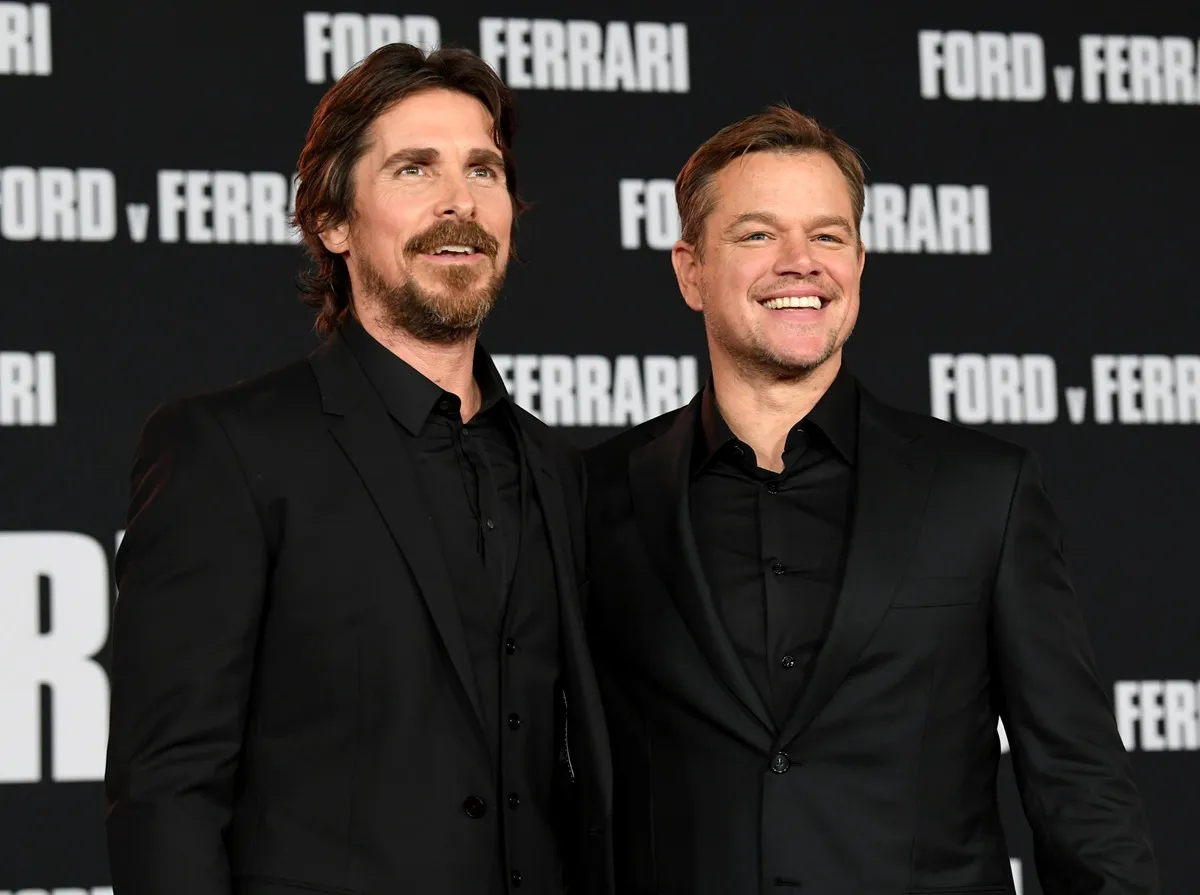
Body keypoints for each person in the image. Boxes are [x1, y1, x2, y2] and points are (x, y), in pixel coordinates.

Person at [584, 103, 1158, 894]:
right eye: (757, 235)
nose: (801, 263)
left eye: (828, 235)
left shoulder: (982, 491)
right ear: (690, 270)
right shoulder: (594, 491)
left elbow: (1080, 788)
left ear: (859, 261)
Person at [104, 43, 611, 895]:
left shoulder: (559, 469)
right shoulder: (226, 449)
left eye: (483, 170)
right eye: (415, 169)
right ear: (333, 222)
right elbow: (167, 796)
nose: (461, 201)